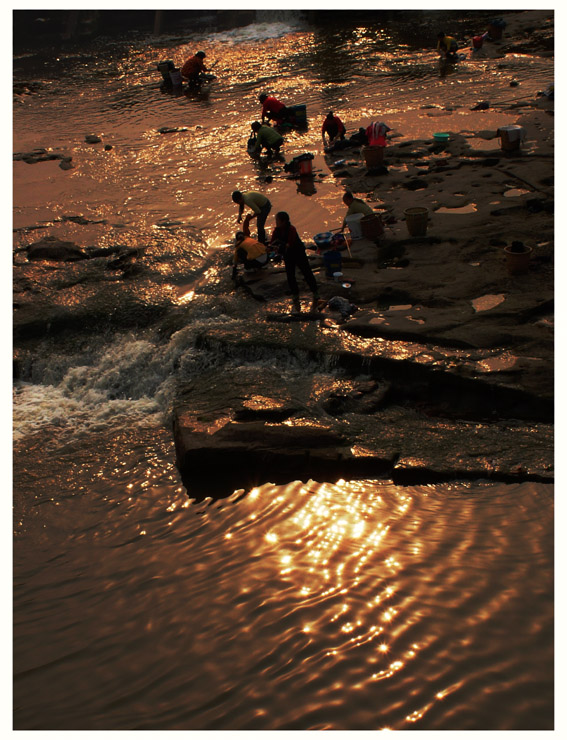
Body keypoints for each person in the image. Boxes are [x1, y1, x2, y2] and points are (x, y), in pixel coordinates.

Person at [269, 211, 319, 314]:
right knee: (290, 276)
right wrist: (270, 248)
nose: (276, 222)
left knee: (307, 272)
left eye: (277, 220)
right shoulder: (277, 231)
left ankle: (315, 292)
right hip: (288, 255)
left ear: (283, 221)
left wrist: (279, 247)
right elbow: (272, 242)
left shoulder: (291, 229)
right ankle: (295, 295)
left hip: (298, 252)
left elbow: (289, 244)